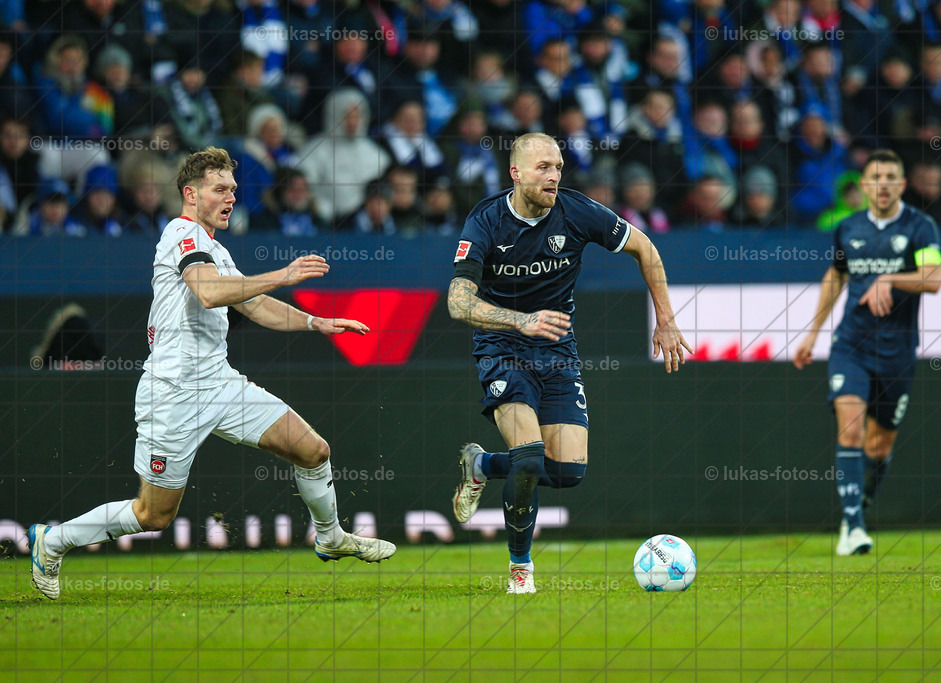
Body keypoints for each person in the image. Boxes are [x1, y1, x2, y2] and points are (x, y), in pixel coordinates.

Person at [27, 147, 396, 601]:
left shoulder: (216, 249)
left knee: (313, 450)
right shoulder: (180, 234)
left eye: (234, 190)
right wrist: (282, 273)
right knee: (153, 515)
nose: (230, 198)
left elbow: (252, 303)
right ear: (190, 194)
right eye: (220, 189)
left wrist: (315, 322)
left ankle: (331, 537)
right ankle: (53, 540)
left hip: (219, 383)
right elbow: (205, 292)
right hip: (173, 394)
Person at [447, 133, 691, 594]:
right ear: (515, 172)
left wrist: (666, 320)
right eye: (542, 167)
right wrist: (522, 321)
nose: (554, 175)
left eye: (558, 166)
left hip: (558, 353)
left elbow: (646, 248)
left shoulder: (577, 211)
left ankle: (480, 466)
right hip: (502, 350)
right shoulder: (486, 220)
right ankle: (521, 568)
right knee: (529, 457)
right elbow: (458, 302)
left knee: (567, 473)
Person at [793, 149, 941, 556]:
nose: (883, 184)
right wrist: (812, 333)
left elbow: (933, 279)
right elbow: (836, 275)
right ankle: (855, 527)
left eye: (891, 177)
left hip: (897, 351)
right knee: (851, 426)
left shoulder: (920, 227)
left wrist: (888, 278)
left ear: (902, 184)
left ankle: (855, 511)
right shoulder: (847, 228)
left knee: (879, 446)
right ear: (863, 185)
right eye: (875, 177)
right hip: (851, 344)